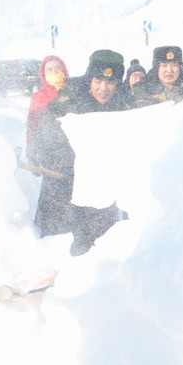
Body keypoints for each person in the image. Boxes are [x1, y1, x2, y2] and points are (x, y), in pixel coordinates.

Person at [31, 50, 129, 256]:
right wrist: (67, 165)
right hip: (64, 183)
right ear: (89, 78)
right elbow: (45, 136)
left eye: (110, 83)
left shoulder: (123, 102)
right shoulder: (69, 99)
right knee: (57, 239)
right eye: (98, 81)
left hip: (103, 187)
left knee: (98, 241)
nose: (103, 89)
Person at [25, 55, 69, 161]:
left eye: (57, 68)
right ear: (44, 74)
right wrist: (31, 153)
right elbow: (32, 127)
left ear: (64, 70)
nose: (54, 72)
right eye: (49, 69)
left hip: (73, 150)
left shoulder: (74, 92)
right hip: (49, 154)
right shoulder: (38, 97)